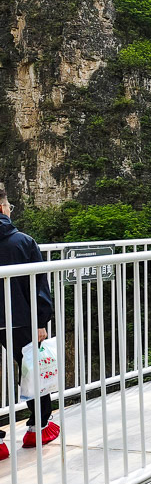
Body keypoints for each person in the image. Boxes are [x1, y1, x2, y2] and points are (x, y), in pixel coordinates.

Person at [0, 190, 57, 461]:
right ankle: (38, 428)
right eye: (9, 206)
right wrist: (41, 321)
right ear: (2, 207)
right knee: (33, 370)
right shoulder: (23, 242)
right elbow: (37, 285)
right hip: (21, 319)